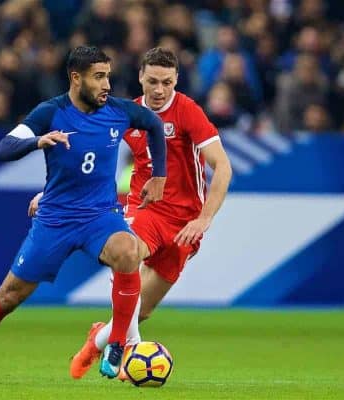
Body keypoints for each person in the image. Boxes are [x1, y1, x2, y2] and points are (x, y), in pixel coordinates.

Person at [0, 46, 168, 383]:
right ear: (76, 78)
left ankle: (117, 344)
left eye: (108, 75)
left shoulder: (119, 111)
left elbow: (153, 124)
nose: (106, 84)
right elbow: (3, 149)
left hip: (100, 216)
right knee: (9, 296)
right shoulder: (50, 113)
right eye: (99, 77)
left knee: (128, 250)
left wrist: (159, 175)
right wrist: (37, 142)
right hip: (56, 220)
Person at [28, 47, 232, 380]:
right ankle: (120, 350)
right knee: (129, 252)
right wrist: (49, 194)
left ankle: (99, 338)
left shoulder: (188, 112)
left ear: (176, 81)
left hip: (184, 222)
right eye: (152, 81)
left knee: (142, 310)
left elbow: (222, 166)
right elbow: (84, 156)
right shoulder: (126, 113)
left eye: (167, 82)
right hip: (145, 208)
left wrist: (204, 218)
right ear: (140, 77)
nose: (159, 90)